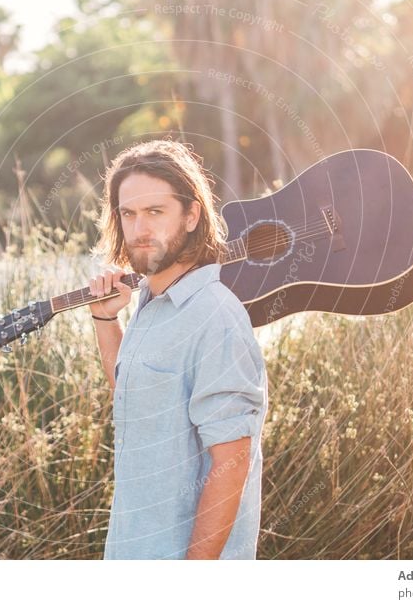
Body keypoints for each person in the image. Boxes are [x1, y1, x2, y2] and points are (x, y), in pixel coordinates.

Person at [88, 139, 268, 560]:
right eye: (129, 214)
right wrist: (105, 320)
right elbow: (137, 395)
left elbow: (232, 460)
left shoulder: (215, 316)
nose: (139, 229)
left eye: (155, 212)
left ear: (191, 215)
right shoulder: (151, 303)